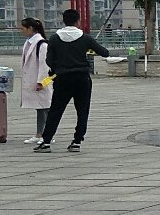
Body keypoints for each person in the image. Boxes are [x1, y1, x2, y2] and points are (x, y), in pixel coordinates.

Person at [38, 8, 116, 152]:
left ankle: (46, 141)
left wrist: (58, 67)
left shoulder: (54, 38)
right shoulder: (85, 38)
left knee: (56, 110)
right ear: (78, 21)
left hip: (62, 79)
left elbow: (49, 60)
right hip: (82, 78)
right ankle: (77, 141)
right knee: (82, 111)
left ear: (64, 21)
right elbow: (105, 52)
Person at [19, 18, 52, 142]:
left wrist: (41, 82)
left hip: (41, 81)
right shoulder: (29, 42)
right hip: (33, 80)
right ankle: (39, 134)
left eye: (23, 28)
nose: (21, 31)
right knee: (40, 108)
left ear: (30, 28)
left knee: (45, 108)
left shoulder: (42, 44)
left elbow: (44, 65)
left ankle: (48, 135)